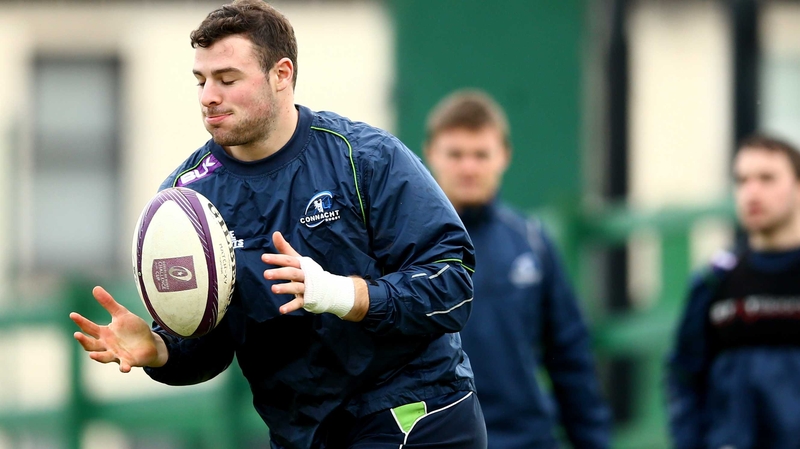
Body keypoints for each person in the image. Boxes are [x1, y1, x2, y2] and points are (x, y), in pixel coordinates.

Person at [68, 2, 487, 448]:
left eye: (228, 79)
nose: (209, 95)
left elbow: (451, 285)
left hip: (414, 413)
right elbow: (211, 346)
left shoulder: (364, 157)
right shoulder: (186, 199)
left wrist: (341, 293)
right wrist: (162, 351)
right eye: (201, 80)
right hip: (302, 430)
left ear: (281, 74)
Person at [423, 89, 611, 448]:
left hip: (527, 438)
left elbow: (570, 357)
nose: (468, 167)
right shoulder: (405, 246)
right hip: (442, 439)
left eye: (481, 154)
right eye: (456, 154)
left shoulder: (532, 243)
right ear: (431, 153)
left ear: (504, 156)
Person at [667, 134, 800, 449]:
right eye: (742, 180)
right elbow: (684, 376)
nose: (752, 192)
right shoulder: (714, 282)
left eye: (767, 178)